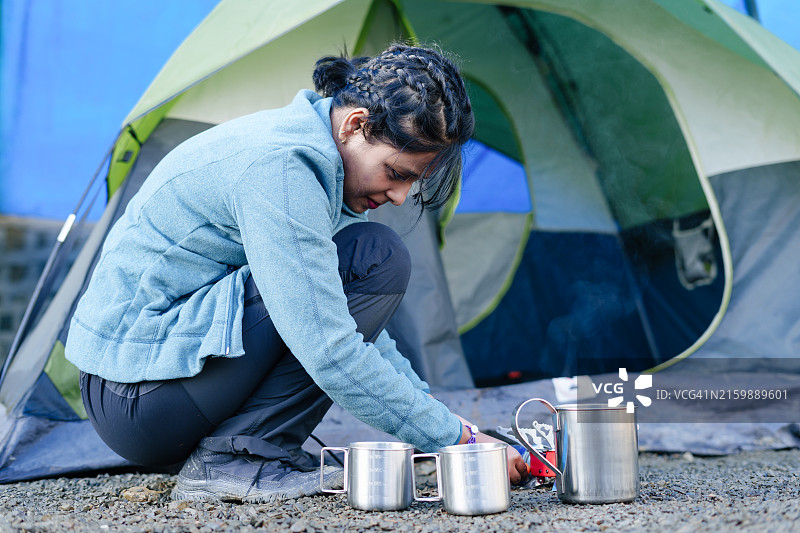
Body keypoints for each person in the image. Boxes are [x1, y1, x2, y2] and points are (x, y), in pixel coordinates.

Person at [65, 43, 528, 503]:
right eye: (396, 172)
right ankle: (238, 459)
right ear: (356, 125)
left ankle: (240, 453)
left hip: (156, 384)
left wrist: (457, 432)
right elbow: (330, 346)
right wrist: (455, 442)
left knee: (370, 258)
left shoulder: (319, 160)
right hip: (136, 398)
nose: (400, 196)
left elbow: (361, 333)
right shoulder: (283, 168)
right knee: (376, 257)